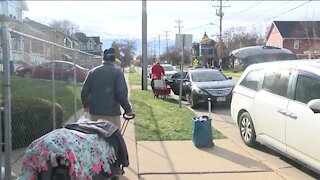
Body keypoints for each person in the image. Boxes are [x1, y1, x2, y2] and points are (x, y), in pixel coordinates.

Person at [81, 47, 134, 128]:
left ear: (104, 58)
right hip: (112, 113)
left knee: (97, 138)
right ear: (113, 59)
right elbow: (121, 94)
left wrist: (86, 105)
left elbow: (84, 91)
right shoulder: (117, 73)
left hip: (95, 113)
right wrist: (128, 109)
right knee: (112, 138)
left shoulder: (93, 72)